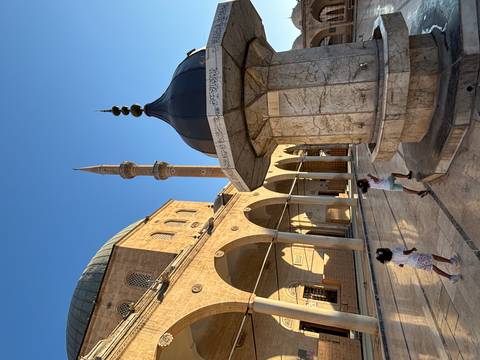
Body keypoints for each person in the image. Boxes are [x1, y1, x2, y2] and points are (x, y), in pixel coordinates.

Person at [375, 247, 461, 283]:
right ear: (386, 251)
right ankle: (451, 261)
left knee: (432, 267)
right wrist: (412, 250)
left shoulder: (393, 260)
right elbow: (405, 253)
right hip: (416, 258)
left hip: (415, 264)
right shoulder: (395, 252)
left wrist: (403, 261)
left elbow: (401, 265)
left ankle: (451, 277)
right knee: (433, 257)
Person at [357, 171, 429, 197]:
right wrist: (371, 176)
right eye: (362, 179)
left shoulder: (369, 186)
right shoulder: (370, 182)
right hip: (388, 183)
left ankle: (418, 193)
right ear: (363, 181)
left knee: (403, 189)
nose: (363, 178)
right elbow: (377, 180)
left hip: (388, 188)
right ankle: (407, 176)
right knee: (393, 174)